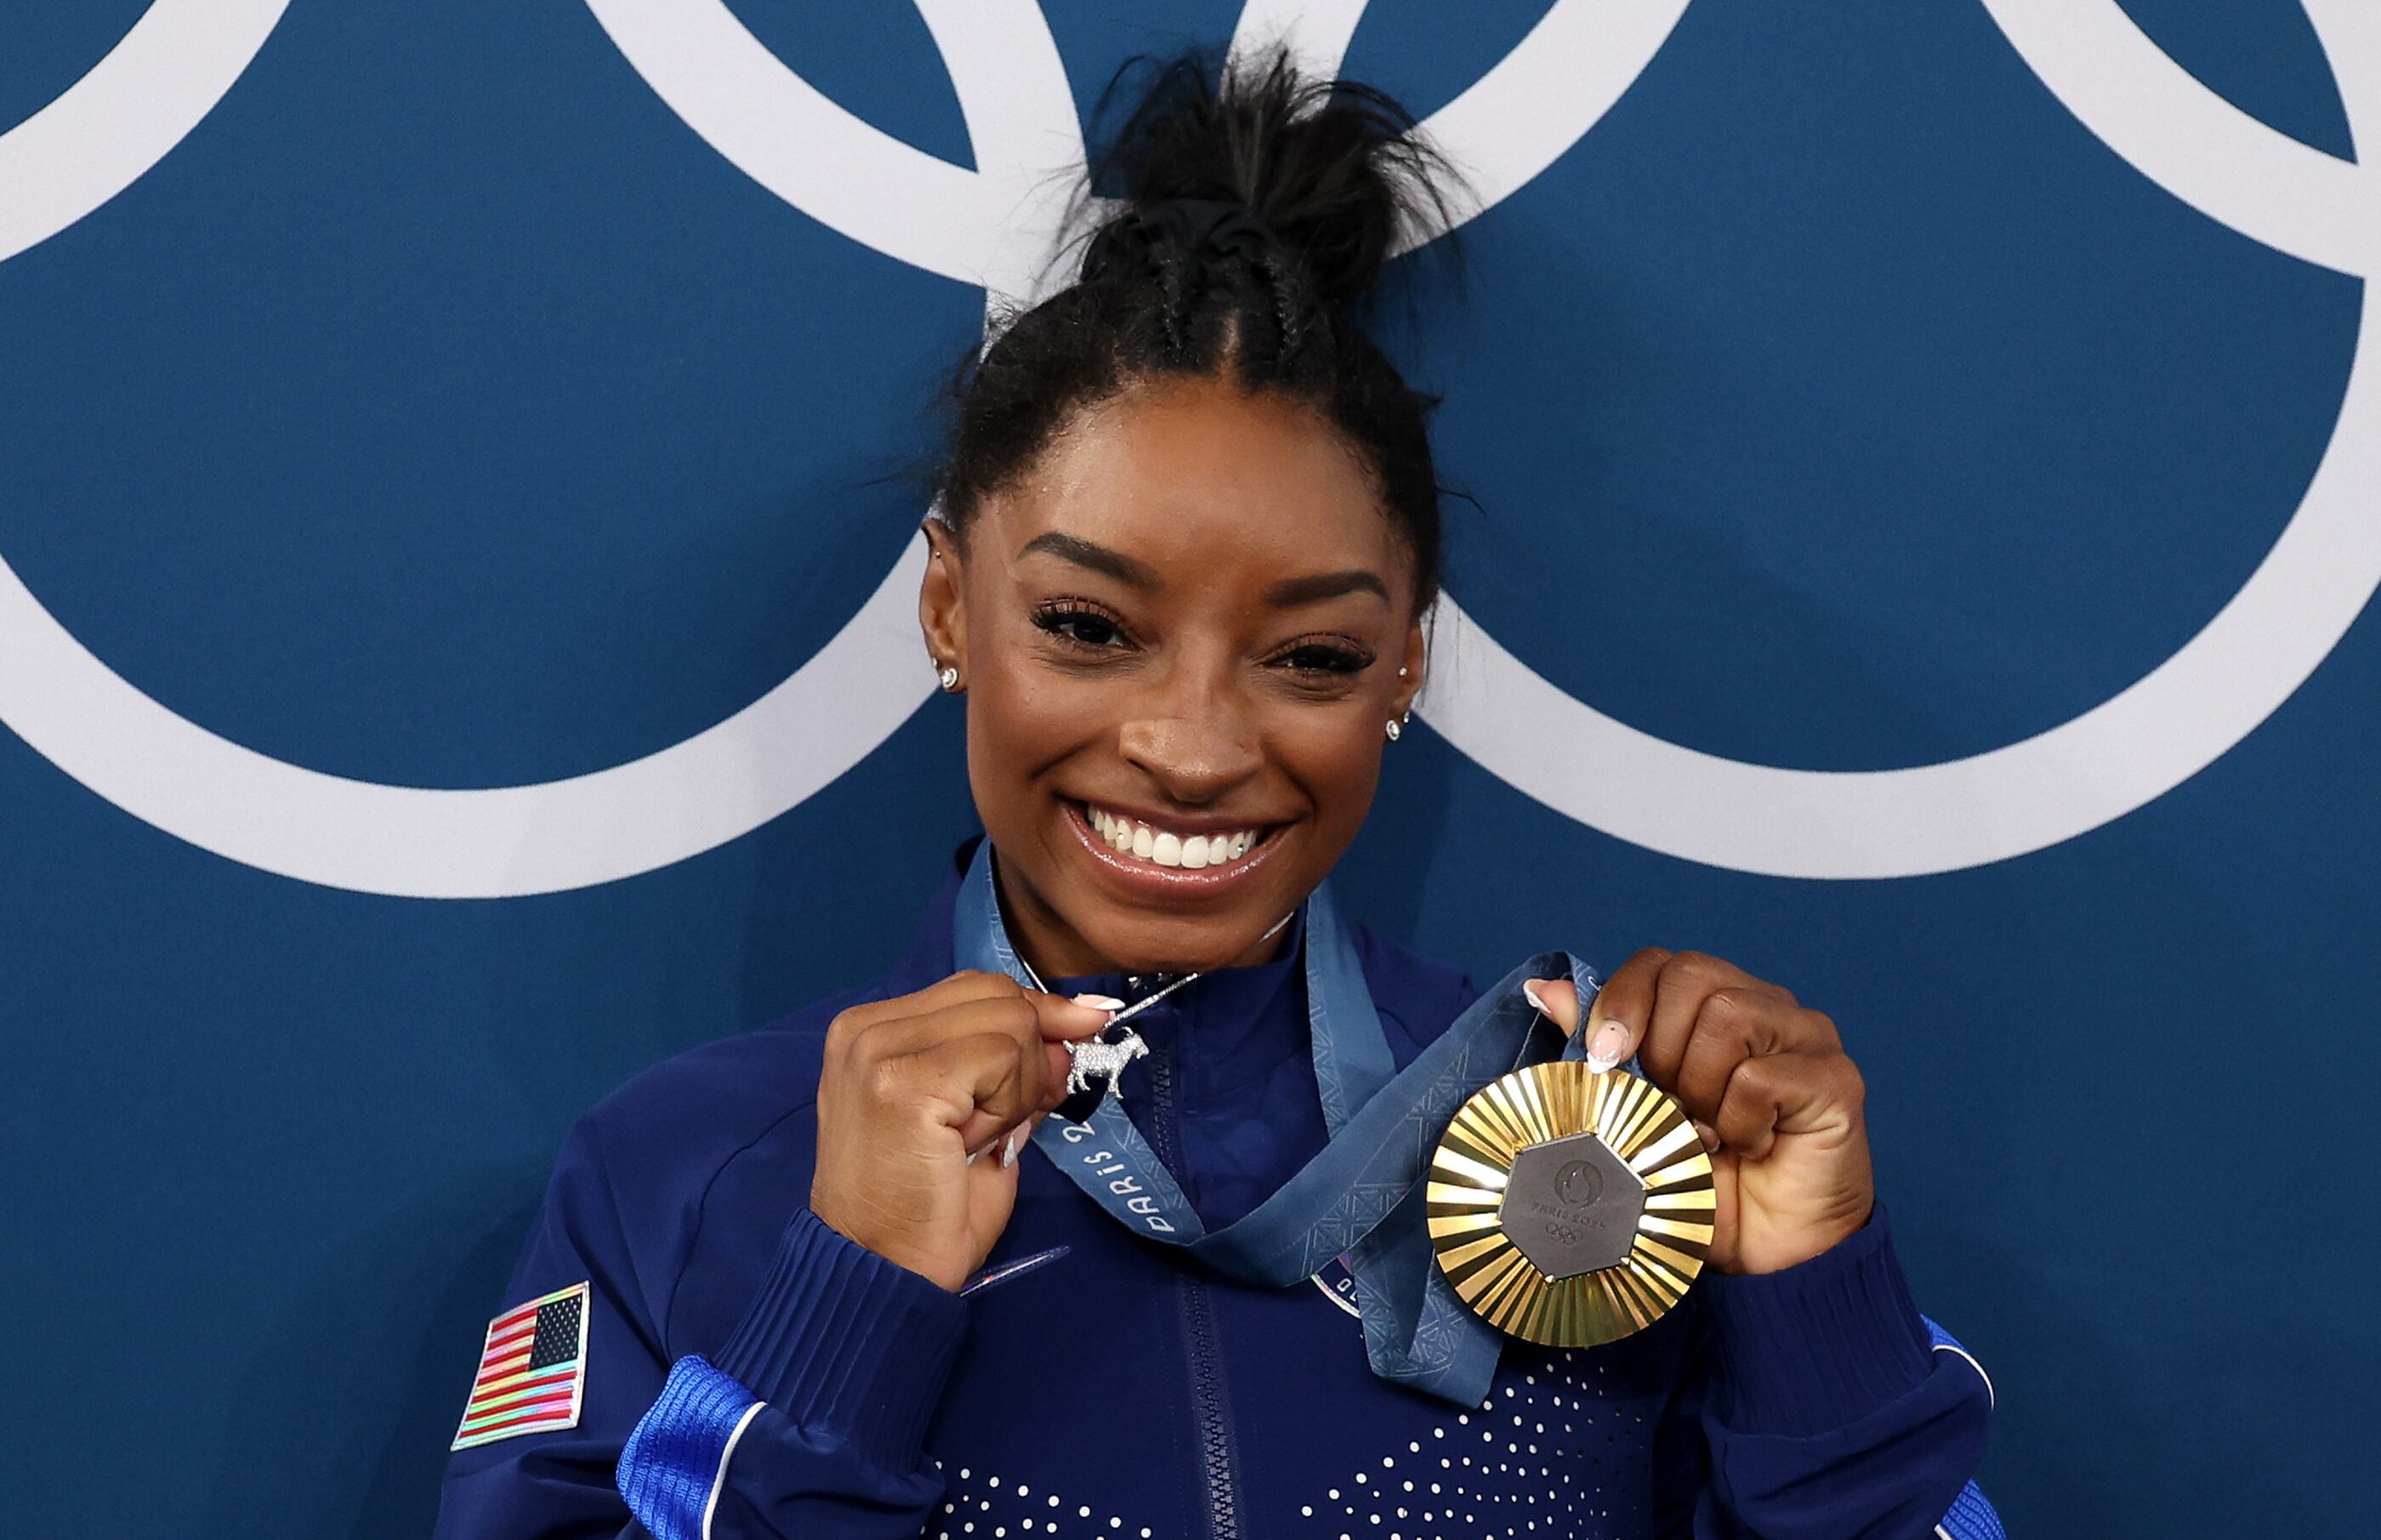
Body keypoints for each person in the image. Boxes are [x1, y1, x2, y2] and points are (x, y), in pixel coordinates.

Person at [432, 49, 1997, 1540]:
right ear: (946, 608)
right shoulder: (686, 1172)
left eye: (1310, 655)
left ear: (1407, 667)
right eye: (1089, 629)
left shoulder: (1615, 1157)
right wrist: (847, 1306)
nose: (1191, 746)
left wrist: (1815, 1304)